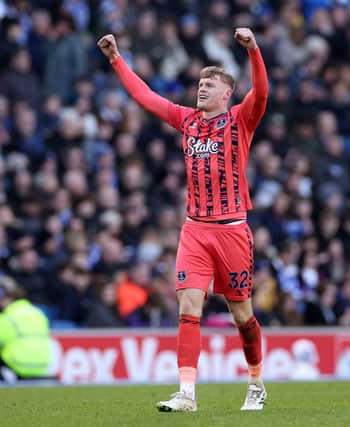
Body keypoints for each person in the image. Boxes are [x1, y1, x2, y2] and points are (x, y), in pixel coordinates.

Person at [98, 27, 268, 411]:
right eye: (200, 83)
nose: (202, 88)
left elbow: (262, 92)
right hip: (194, 229)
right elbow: (145, 97)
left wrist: (254, 50)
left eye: (211, 84)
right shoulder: (187, 120)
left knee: (242, 314)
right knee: (188, 308)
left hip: (232, 231)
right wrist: (115, 58)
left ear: (227, 93)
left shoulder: (242, 119)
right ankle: (187, 393)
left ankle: (256, 381)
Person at [0, 281, 53, 382]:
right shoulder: (38, 313)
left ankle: (4, 381)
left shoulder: (4, 317)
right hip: (43, 366)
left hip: (19, 366)